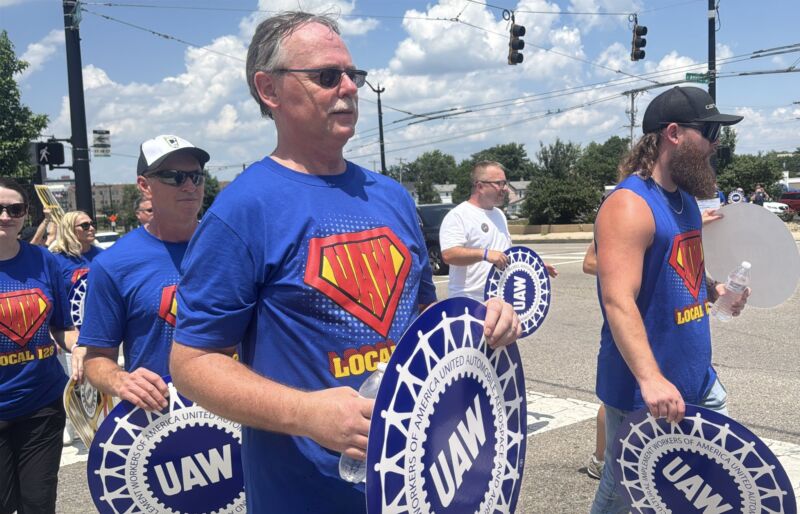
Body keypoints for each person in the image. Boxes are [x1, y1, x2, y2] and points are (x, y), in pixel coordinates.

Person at [169, 12, 521, 514]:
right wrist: (306, 413)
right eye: (327, 76)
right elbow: (192, 364)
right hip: (305, 497)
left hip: (420, 485)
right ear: (269, 89)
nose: (350, 88)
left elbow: (423, 316)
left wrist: (480, 323)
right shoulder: (242, 210)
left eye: (352, 75)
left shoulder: (392, 197)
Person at [590, 86, 749, 513]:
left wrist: (716, 290)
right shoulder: (629, 205)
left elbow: (682, 272)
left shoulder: (685, 202)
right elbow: (618, 300)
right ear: (673, 133)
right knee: (623, 490)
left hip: (697, 379)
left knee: (695, 483)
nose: (717, 144)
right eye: (710, 132)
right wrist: (651, 379)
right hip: (644, 391)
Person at [80, 135, 209, 411]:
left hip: (236, 414)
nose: (189, 185)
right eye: (175, 177)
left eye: (196, 176)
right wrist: (120, 381)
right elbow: (96, 357)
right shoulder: (113, 265)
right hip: (161, 419)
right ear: (144, 185)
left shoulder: (233, 246)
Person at [0, 178, 77, 514]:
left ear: (25, 214)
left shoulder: (45, 261)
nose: (5, 216)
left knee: (38, 504)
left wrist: (82, 348)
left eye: (14, 209)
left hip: (42, 403)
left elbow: (61, 327)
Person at [439, 160, 556, 301]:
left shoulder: (499, 215)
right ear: (480, 186)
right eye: (499, 183)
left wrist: (532, 267)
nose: (505, 188)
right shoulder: (458, 215)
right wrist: (485, 254)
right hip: (469, 302)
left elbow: (504, 256)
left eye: (505, 183)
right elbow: (449, 255)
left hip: (501, 298)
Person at [49, 210, 102, 444]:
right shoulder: (56, 260)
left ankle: (97, 424)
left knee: (97, 378)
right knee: (72, 377)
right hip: (69, 329)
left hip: (99, 329)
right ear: (71, 229)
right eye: (85, 225)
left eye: (92, 223)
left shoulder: (101, 256)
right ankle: (70, 423)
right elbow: (51, 296)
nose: (91, 228)